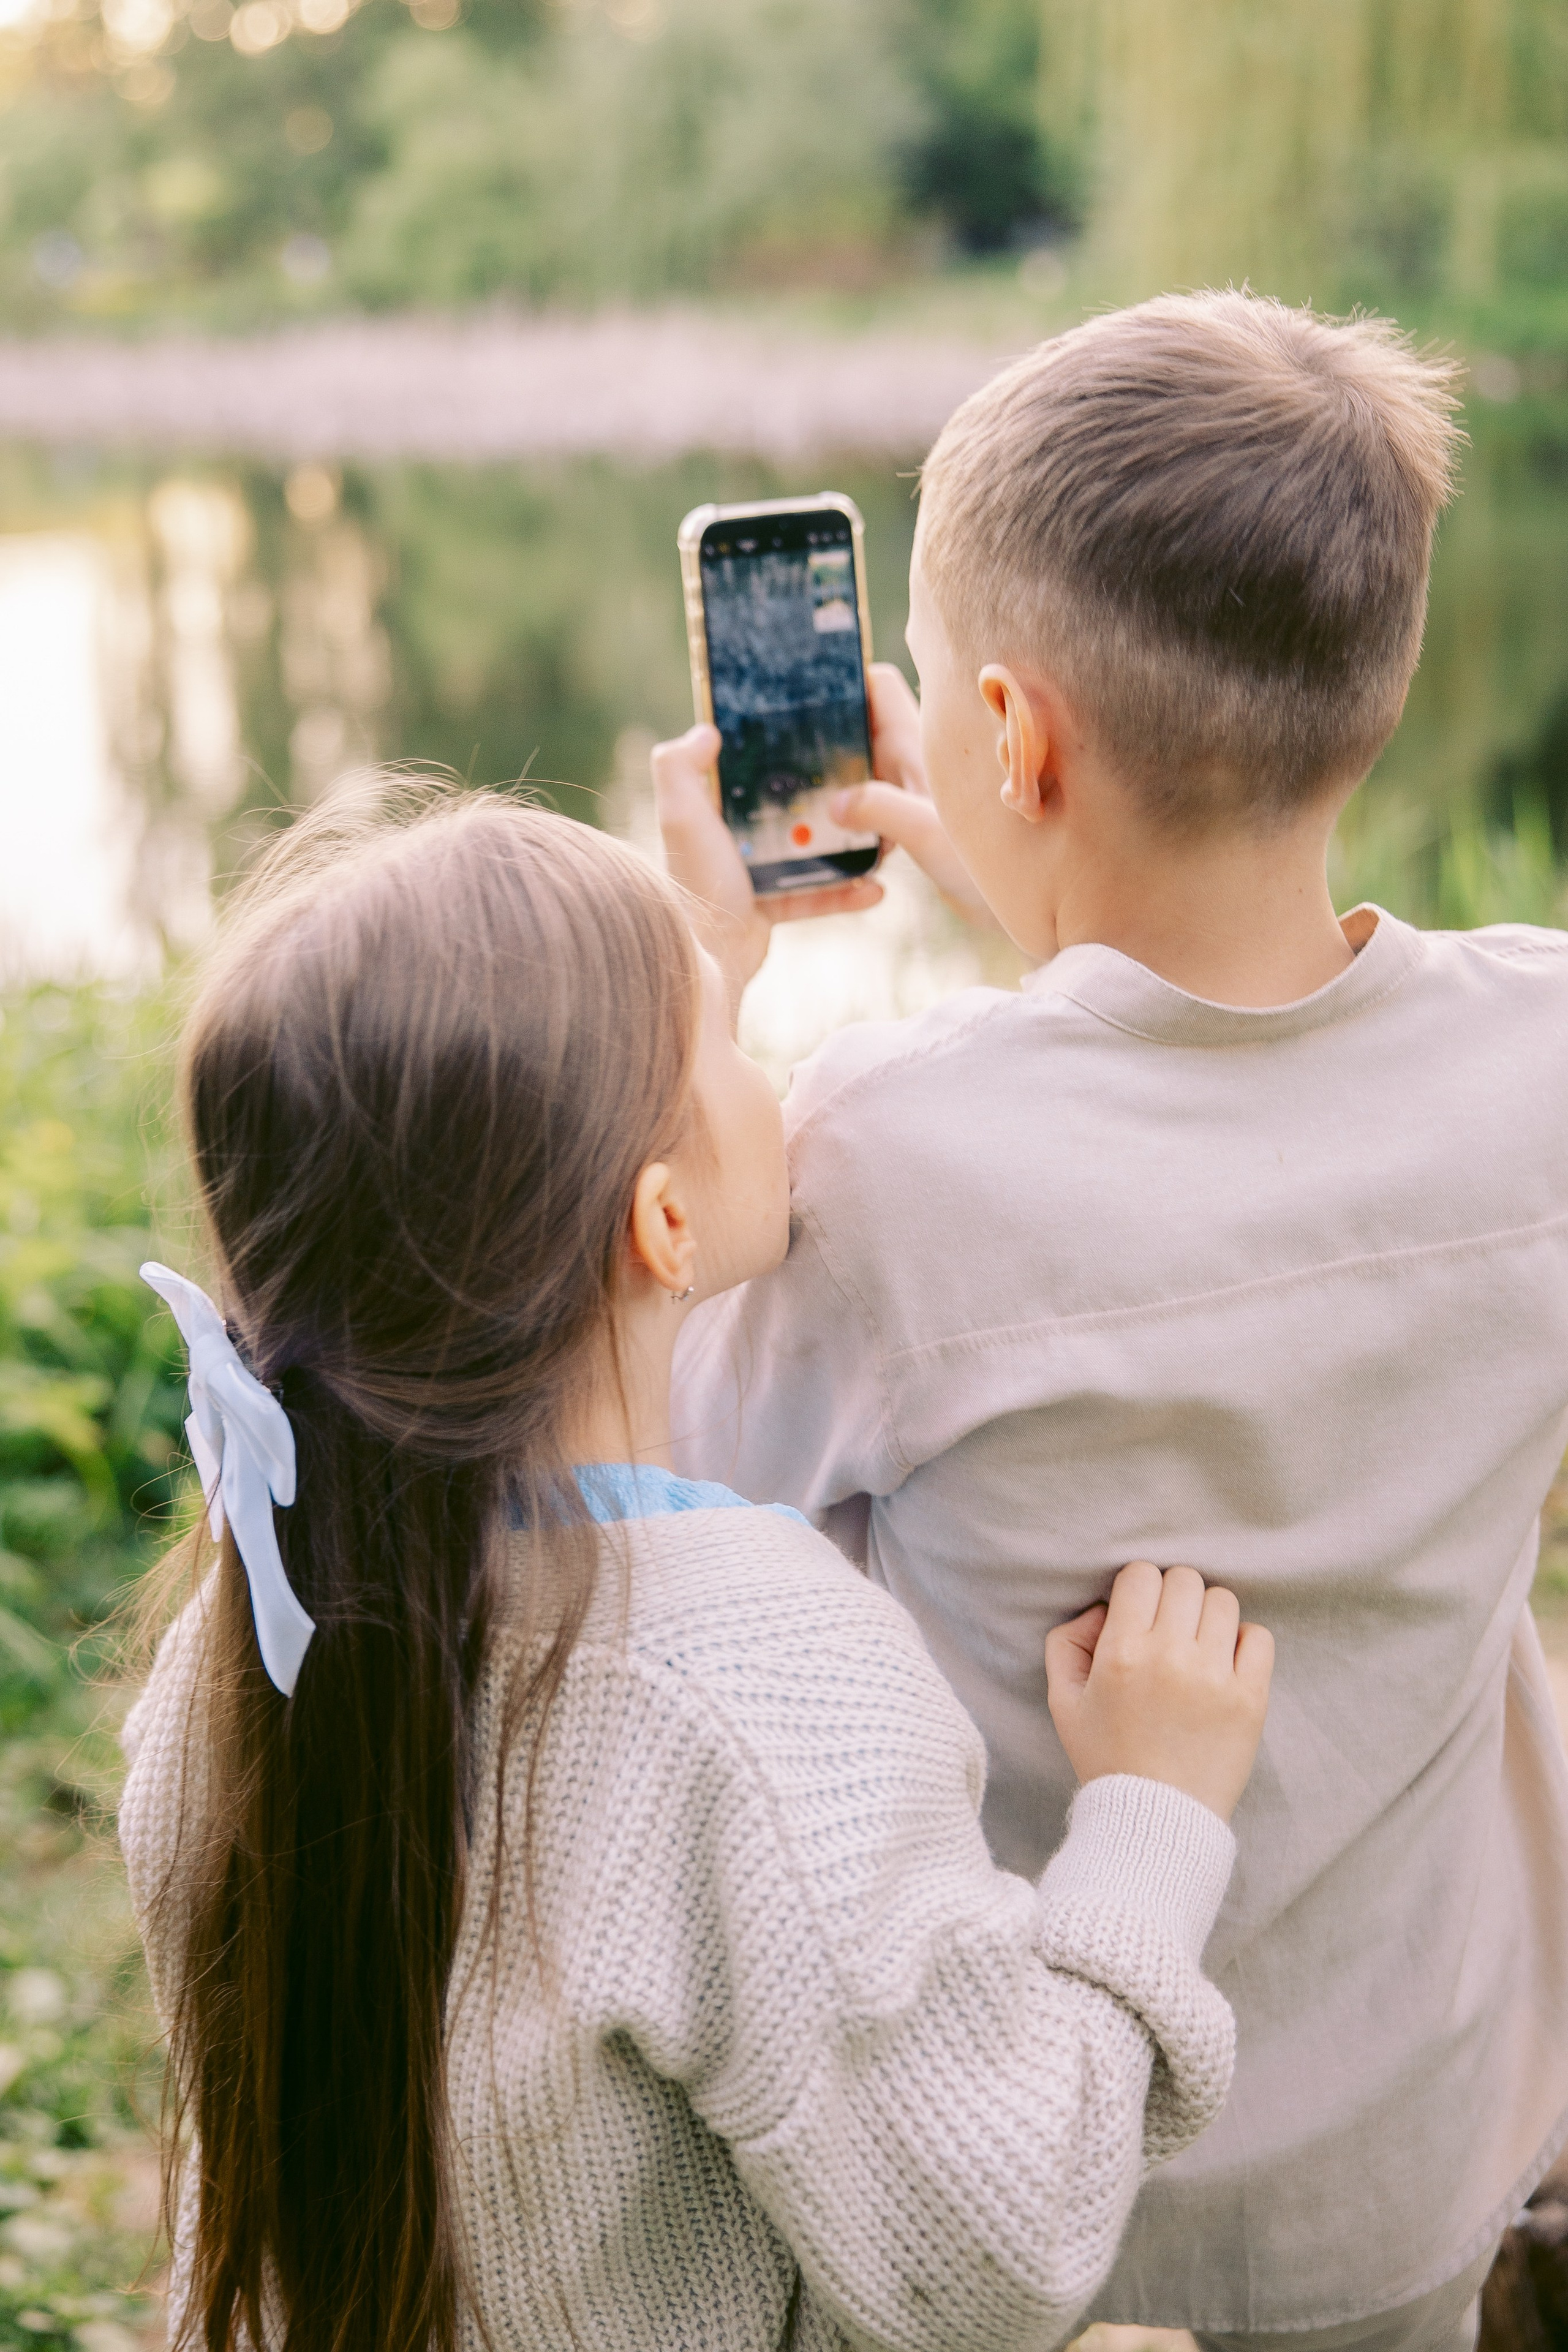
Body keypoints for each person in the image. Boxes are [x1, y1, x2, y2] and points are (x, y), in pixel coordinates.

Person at [660, 288, 1568, 2352]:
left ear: (1016, 737)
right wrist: (1039, 890)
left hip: (1042, 2188)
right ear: (1382, 685)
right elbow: (1234, 1105)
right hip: (1412, 2161)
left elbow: (648, 1484)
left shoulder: (889, 1165)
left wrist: (699, 988)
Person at [118, 783, 1272, 2352]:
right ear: (661, 1220)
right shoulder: (754, 1690)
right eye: (728, 1052)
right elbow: (991, 2256)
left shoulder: (245, 1647)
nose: (769, 1072)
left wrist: (674, 987)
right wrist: (1150, 1818)